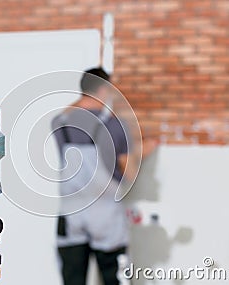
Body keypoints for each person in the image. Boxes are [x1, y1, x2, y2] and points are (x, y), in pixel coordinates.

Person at [52, 67, 156, 285]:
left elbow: (64, 113)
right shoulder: (114, 126)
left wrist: (83, 99)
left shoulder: (61, 123)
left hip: (71, 216)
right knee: (113, 278)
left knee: (72, 279)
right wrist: (142, 152)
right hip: (106, 216)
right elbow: (128, 174)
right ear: (103, 90)